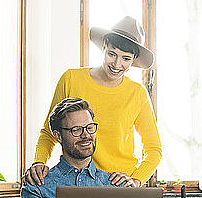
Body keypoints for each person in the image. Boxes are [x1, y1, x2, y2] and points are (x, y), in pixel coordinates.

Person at [25, 16, 162, 188]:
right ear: (103, 47)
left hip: (118, 187)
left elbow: (154, 150)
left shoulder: (137, 93)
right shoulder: (71, 79)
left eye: (126, 58)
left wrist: (135, 180)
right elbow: (49, 132)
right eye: (112, 54)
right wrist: (39, 162)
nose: (117, 64)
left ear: (133, 60)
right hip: (76, 181)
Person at [16, 97, 118, 198]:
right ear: (58, 136)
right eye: (76, 130)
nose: (86, 135)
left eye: (89, 127)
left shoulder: (115, 184)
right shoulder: (38, 183)